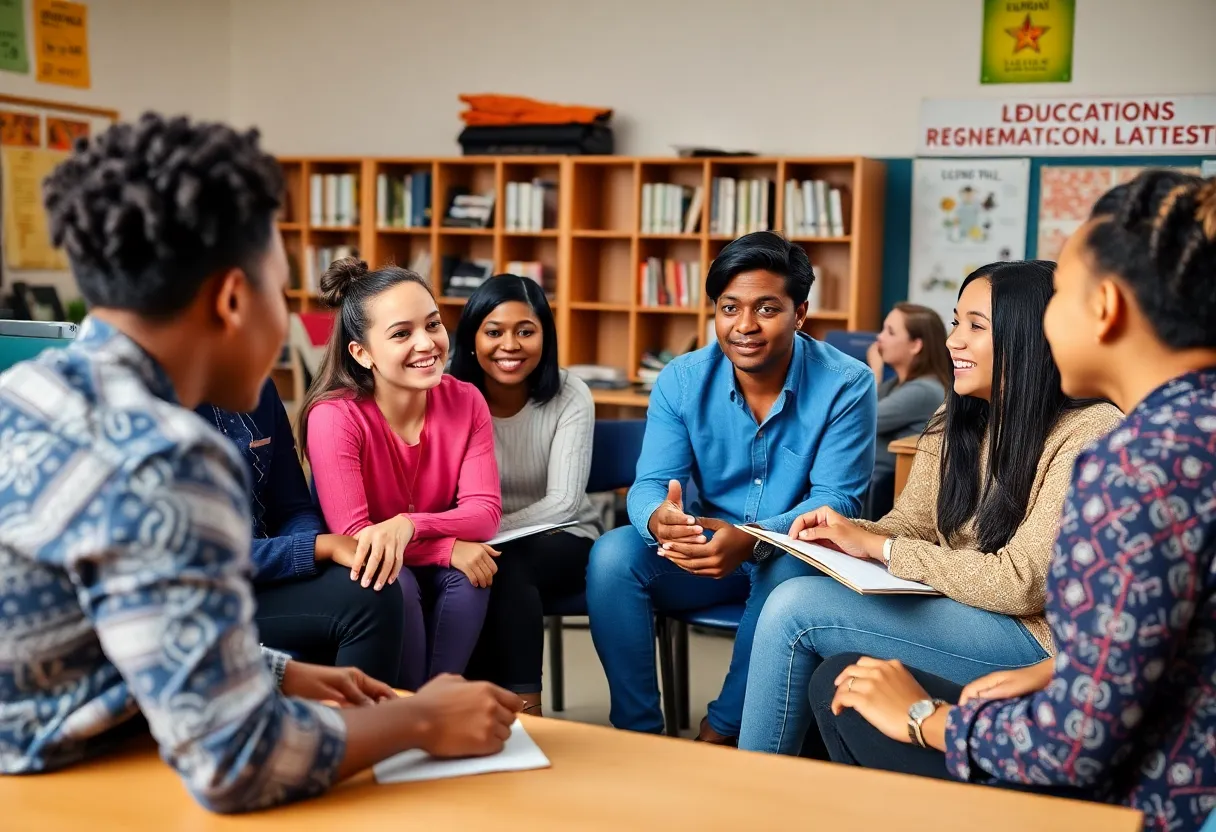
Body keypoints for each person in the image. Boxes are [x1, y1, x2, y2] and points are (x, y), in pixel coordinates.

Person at [0, 112, 521, 813]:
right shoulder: (165, 455)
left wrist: (278, 672)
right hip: (54, 788)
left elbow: (118, 633)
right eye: (281, 292)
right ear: (232, 301)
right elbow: (235, 764)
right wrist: (420, 719)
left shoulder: (27, 390)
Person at [809, 170, 1216, 832]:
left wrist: (925, 719)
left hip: (1149, 799)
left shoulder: (1133, 461)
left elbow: (1073, 747)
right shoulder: (1196, 425)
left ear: (1104, 308)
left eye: (1059, 297)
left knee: (853, 694)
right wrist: (1064, 668)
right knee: (845, 681)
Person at [738, 260, 1123, 756]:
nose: (953, 340)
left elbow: (1022, 583)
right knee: (794, 566)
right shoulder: (956, 414)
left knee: (797, 610)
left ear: (1029, 336)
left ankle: (748, 782)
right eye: (956, 320)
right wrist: (846, 532)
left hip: (1031, 639)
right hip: (957, 606)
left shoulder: (1090, 430)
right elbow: (911, 524)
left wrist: (885, 549)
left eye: (975, 327)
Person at [586, 231, 878, 744]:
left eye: (767, 309)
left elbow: (840, 498)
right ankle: (635, 735)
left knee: (788, 562)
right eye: (729, 308)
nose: (744, 326)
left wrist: (756, 537)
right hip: (709, 548)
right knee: (613, 556)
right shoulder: (681, 379)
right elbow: (650, 482)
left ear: (800, 313)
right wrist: (660, 518)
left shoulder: (847, 383)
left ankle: (721, 729)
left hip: (796, 555)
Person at [301, 257, 501, 690]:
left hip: (415, 549)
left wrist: (410, 525)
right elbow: (358, 540)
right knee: (396, 582)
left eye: (432, 325)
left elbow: (484, 513)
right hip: (362, 567)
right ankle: (410, 710)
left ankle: (435, 705)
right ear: (362, 352)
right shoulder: (334, 417)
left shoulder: (466, 401)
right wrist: (445, 549)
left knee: (473, 577)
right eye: (401, 334)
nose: (427, 343)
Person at [450, 274, 601, 716]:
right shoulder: (447, 394)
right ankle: (474, 705)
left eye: (525, 331)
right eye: (494, 332)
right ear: (472, 338)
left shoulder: (571, 394)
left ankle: (524, 709)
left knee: (503, 565)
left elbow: (564, 503)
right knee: (475, 571)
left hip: (564, 537)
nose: (509, 345)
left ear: (545, 337)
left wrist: (478, 535)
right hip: (474, 541)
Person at [196, 379, 404, 682]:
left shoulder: (259, 386)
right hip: (198, 596)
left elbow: (293, 507)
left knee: (369, 582)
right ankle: (361, 725)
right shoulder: (153, 411)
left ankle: (364, 721)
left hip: (259, 576)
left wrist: (306, 550)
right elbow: (195, 556)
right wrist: (317, 548)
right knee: (366, 604)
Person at [863, 303, 951, 519]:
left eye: (890, 332)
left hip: (890, 489)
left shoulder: (924, 390)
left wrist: (872, 372)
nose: (879, 338)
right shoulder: (895, 385)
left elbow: (858, 419)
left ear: (915, 345)